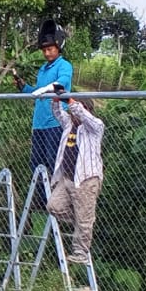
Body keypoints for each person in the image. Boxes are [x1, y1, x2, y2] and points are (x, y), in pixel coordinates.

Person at [12, 20, 73, 198]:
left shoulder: (64, 66)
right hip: (38, 125)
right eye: (44, 50)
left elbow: (61, 84)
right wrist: (23, 87)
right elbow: (37, 93)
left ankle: (59, 201)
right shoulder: (42, 70)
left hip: (55, 124)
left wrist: (47, 89)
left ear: (59, 47)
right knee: (37, 165)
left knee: (54, 163)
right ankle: (40, 201)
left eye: (50, 49)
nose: (47, 53)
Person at [46, 87, 104, 264]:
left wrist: (71, 101)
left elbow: (82, 114)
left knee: (84, 219)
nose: (72, 113)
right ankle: (82, 223)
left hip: (86, 179)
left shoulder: (95, 127)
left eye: (76, 109)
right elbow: (58, 113)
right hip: (67, 178)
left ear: (86, 110)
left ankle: (80, 252)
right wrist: (57, 98)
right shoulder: (69, 125)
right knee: (54, 206)